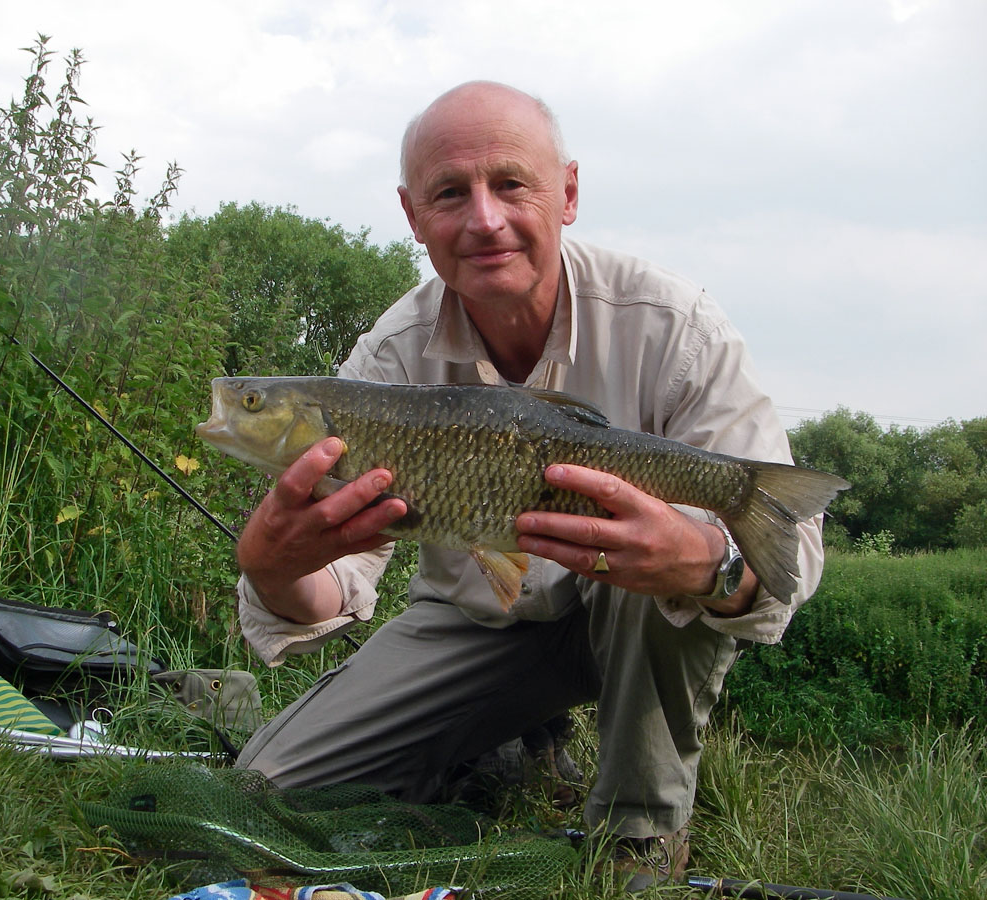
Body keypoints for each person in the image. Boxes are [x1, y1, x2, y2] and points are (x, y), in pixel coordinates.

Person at [231, 81, 825, 890]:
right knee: (266, 795)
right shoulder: (389, 360)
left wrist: (706, 562)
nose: (484, 219)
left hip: (635, 612)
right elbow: (340, 586)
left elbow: (793, 551)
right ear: (413, 216)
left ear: (568, 193)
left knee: (656, 562)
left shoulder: (675, 326)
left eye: (511, 183)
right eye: (450, 193)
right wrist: (274, 571)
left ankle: (638, 836)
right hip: (475, 624)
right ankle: (509, 741)